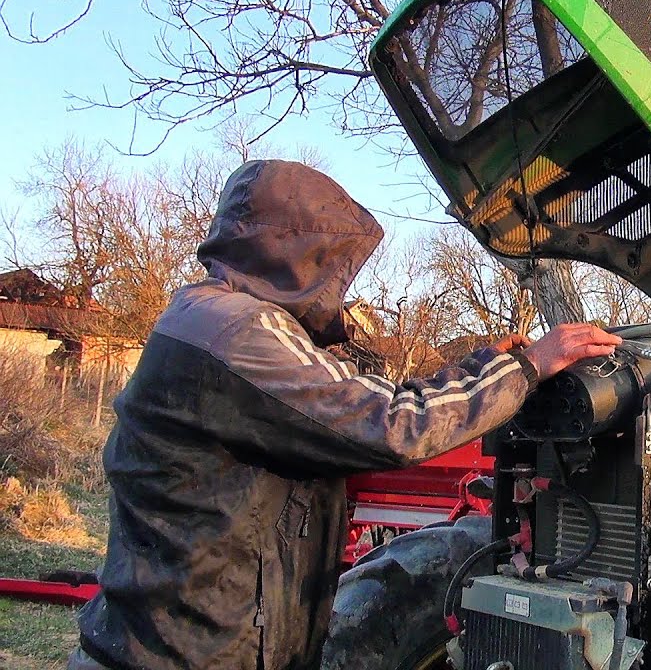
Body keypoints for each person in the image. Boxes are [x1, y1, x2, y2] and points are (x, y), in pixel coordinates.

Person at [67, 160, 621, 670]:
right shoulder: (238, 330)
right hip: (186, 654)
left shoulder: (208, 313)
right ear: (293, 253)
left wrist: (484, 367)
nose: (339, 282)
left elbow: (357, 399)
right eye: (330, 263)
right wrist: (527, 367)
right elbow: (392, 425)